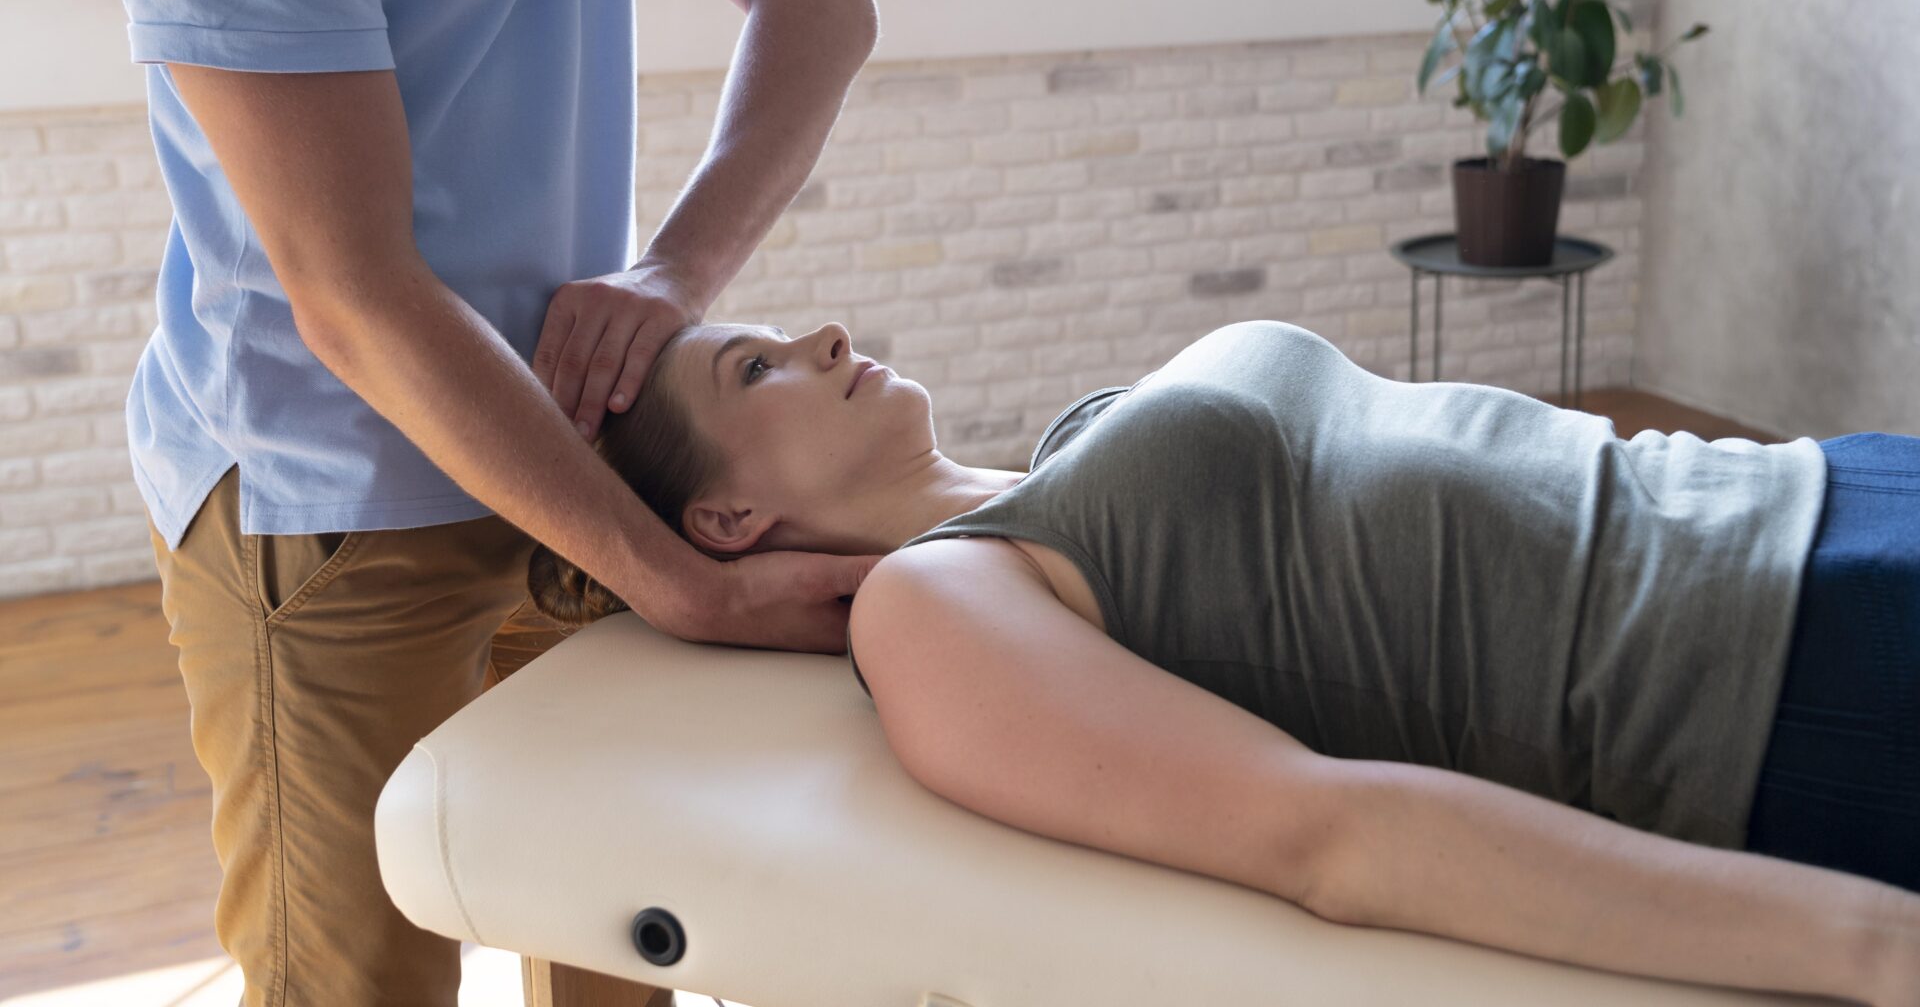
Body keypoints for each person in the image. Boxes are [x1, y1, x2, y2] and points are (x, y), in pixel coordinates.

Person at [76, 0, 880, 1001]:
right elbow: (353, 293)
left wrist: (671, 278)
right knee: (359, 985)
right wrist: (677, 580)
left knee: (624, 944)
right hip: (336, 495)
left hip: (579, 444)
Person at [529, 317, 1920, 1005]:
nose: (822, 335)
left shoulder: (1070, 445)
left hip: (1819, 493)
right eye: (757, 372)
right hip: (1785, 670)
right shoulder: (935, 608)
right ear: (727, 518)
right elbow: (1326, 834)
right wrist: (1868, 944)